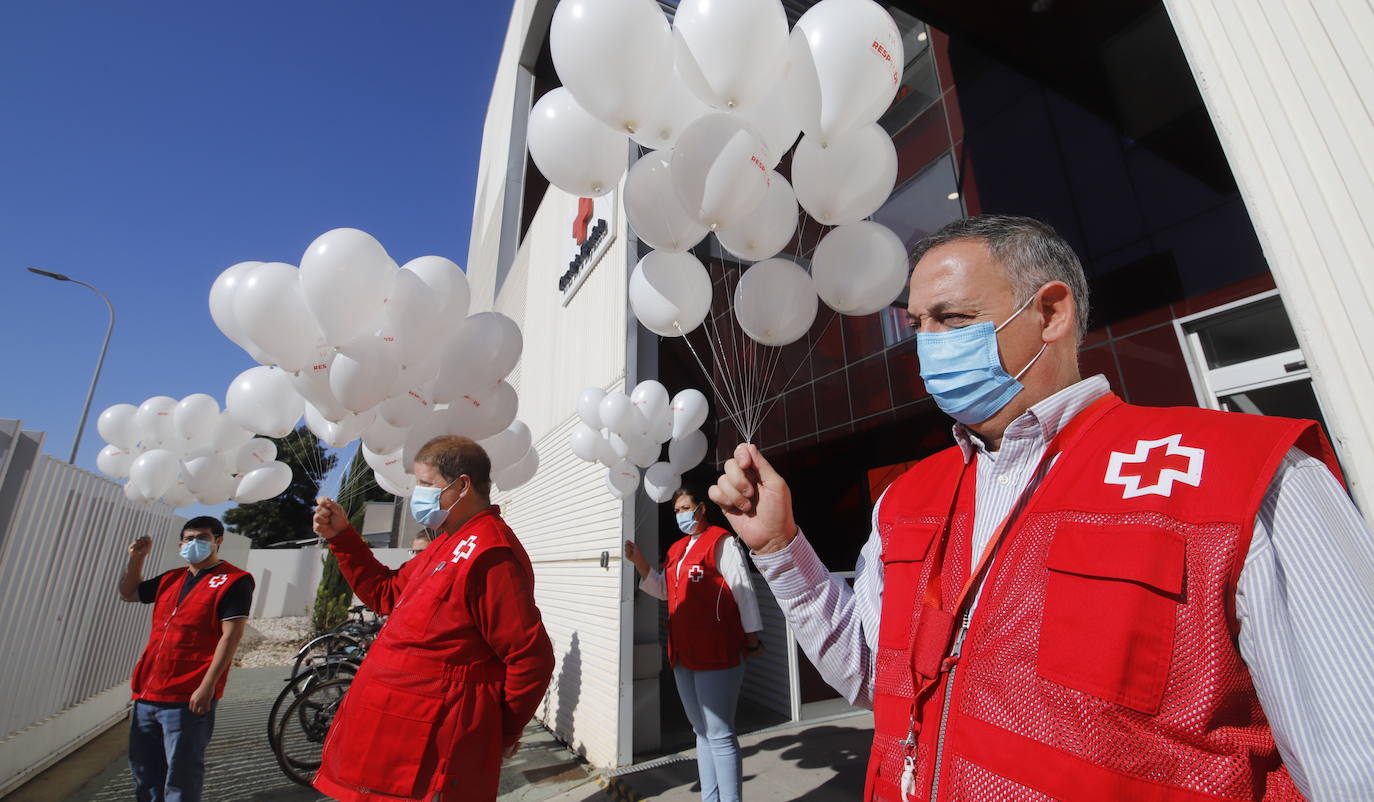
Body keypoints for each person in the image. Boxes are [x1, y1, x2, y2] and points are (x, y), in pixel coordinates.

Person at [711, 215, 1374, 801]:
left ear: (1050, 313)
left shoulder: (1245, 483)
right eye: (917, 326)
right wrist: (780, 547)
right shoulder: (908, 499)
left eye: (952, 319)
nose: (927, 348)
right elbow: (870, 677)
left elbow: (1355, 768)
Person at [311, 434, 555, 802]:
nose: (417, 493)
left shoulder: (489, 553)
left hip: (430, 754)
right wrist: (343, 538)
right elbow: (387, 593)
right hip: (394, 742)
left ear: (462, 485)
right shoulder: (446, 540)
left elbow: (529, 658)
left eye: (426, 483)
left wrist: (501, 732)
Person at [625, 488, 763, 802]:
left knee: (720, 733)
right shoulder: (676, 549)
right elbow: (665, 590)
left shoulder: (722, 542)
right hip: (683, 652)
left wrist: (752, 638)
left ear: (701, 508)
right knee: (701, 732)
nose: (681, 514)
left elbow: (743, 591)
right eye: (676, 510)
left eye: (685, 507)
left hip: (717, 650)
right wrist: (640, 563)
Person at [120, 516, 254, 802]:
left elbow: (230, 637)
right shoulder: (171, 579)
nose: (195, 543)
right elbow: (129, 592)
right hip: (147, 692)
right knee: (144, 771)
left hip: (188, 696)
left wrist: (207, 687)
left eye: (203, 537)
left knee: (181, 775)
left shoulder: (234, 581)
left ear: (218, 540)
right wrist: (136, 559)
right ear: (181, 543)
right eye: (189, 538)